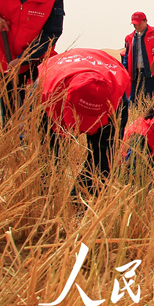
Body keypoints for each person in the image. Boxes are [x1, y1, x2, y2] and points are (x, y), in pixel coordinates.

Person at [38, 48, 130, 197]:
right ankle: (45, 200)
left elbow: (106, 155)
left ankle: (80, 205)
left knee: (104, 158)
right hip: (59, 77)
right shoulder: (45, 91)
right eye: (78, 117)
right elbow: (28, 135)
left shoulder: (117, 97)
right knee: (47, 157)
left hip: (107, 79)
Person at [121, 12, 154, 105]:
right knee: (133, 103)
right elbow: (126, 57)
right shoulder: (130, 37)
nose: (137, 26)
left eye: (139, 23)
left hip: (152, 74)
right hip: (135, 75)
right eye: (134, 24)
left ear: (146, 21)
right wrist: (124, 72)